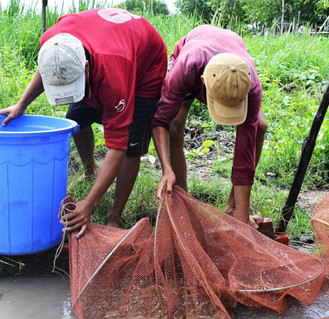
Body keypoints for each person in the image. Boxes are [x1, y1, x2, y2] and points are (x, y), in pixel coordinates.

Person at [0, 8, 167, 236]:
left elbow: (118, 144)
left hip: (143, 66)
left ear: (86, 69)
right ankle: (90, 172)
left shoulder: (114, 72)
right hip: (105, 47)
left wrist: (89, 203)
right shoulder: (52, 41)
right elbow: (48, 67)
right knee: (75, 119)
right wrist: (22, 104)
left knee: (131, 145)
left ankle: (114, 218)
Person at [151, 25, 267, 226]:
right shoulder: (185, 67)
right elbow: (160, 121)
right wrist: (166, 168)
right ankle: (182, 202)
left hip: (231, 64)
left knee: (260, 127)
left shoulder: (250, 83)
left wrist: (242, 227)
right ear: (203, 82)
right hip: (193, 56)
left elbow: (244, 154)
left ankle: (234, 208)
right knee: (174, 127)